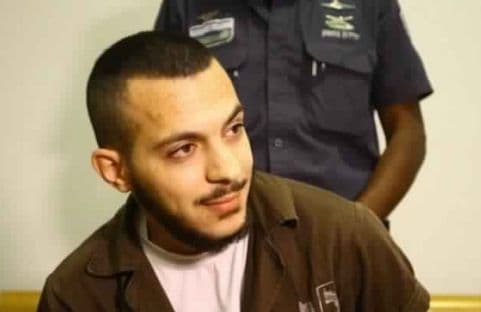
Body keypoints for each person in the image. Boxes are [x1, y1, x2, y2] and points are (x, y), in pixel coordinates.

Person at [30, 31, 465, 312]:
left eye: (234, 129)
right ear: (116, 171)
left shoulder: (340, 234)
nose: (228, 169)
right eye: (183, 149)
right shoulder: (74, 296)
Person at [155, 0, 431, 220]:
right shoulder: (186, 5)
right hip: (221, 241)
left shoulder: (369, 5)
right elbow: (160, 128)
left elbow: (407, 130)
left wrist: (358, 224)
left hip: (347, 236)